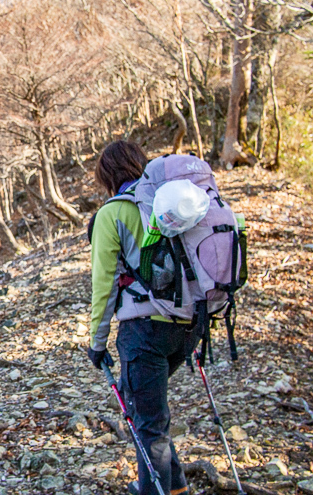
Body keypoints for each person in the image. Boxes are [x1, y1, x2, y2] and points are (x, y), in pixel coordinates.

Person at [87, 140, 191, 495]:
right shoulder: (172, 203)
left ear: (106, 176)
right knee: (150, 414)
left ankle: (155, 491)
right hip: (189, 325)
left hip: (144, 331)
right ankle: (174, 487)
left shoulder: (111, 213)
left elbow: (104, 286)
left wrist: (96, 344)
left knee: (147, 422)